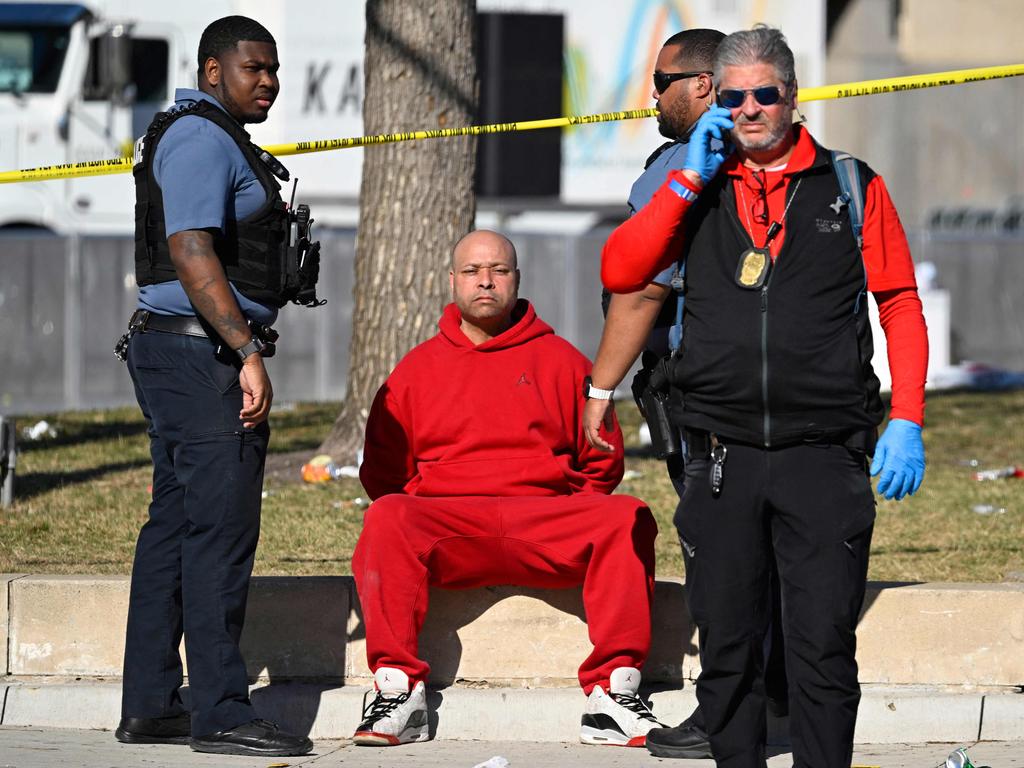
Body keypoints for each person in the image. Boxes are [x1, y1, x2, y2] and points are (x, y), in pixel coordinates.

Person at [597, 25, 928, 768]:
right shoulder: (694, 182)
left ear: (793, 96)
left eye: (764, 95)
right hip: (720, 454)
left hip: (824, 455)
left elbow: (900, 304)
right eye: (734, 95)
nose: (749, 110)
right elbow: (623, 270)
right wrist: (688, 176)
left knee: (821, 652)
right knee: (728, 650)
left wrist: (906, 417)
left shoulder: (851, 183)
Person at [350, 230, 661, 748]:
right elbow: (385, 475)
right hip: (450, 531)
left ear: (516, 279)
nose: (486, 281)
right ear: (452, 282)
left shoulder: (564, 361)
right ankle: (398, 691)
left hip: (544, 525)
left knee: (625, 516)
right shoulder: (415, 371)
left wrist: (563, 506)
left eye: (499, 270)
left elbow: (602, 461)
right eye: (472, 271)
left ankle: (613, 694)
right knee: (388, 517)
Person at [114, 15, 317, 758]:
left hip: (179, 356)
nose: (267, 81)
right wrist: (244, 351)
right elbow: (190, 247)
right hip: (202, 361)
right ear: (211, 70)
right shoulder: (201, 136)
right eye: (252, 68)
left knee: (173, 531)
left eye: (273, 69)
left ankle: (152, 705)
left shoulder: (205, 132)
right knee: (218, 538)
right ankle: (222, 712)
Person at [589, 28, 789, 760]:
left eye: (664, 79)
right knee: (770, 541)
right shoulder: (791, 165)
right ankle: (776, 688)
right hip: (778, 386)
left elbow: (641, 285)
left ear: (704, 84)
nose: (654, 94)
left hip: (700, 386)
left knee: (717, 552)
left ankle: (725, 712)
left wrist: (599, 387)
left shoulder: (679, 169)